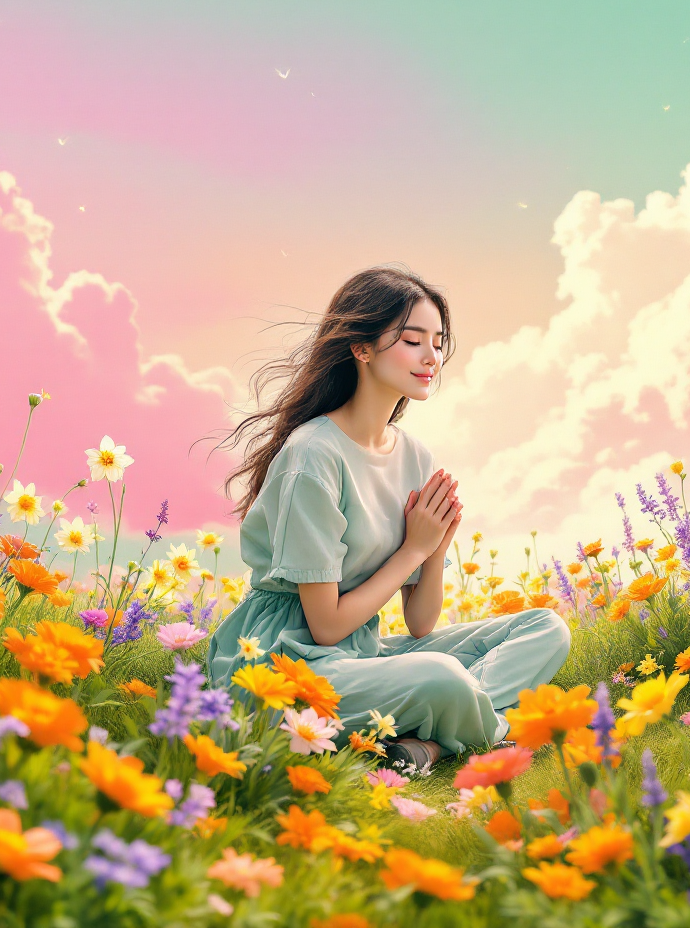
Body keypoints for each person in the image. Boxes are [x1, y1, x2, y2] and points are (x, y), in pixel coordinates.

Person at [208, 265, 571, 770]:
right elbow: (326, 626)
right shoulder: (313, 456)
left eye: (438, 342)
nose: (432, 358)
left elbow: (421, 624)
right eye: (412, 341)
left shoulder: (415, 457)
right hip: (283, 665)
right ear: (361, 349)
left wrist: (437, 545)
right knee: (442, 676)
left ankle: (439, 738)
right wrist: (414, 550)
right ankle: (494, 732)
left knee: (544, 628)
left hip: (362, 651)